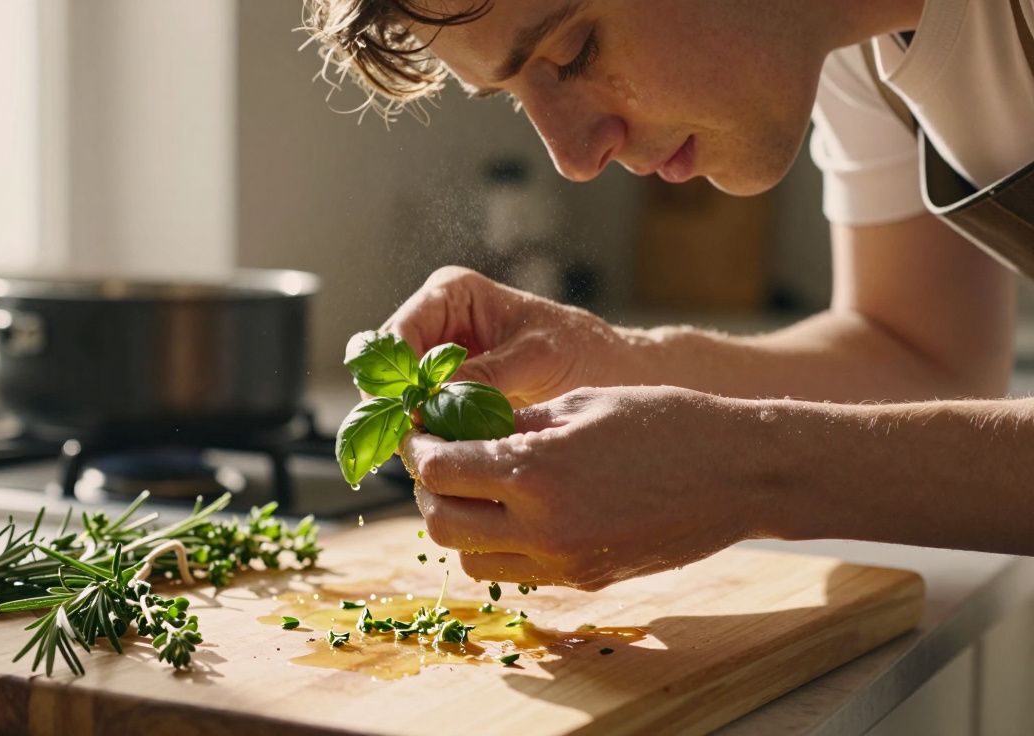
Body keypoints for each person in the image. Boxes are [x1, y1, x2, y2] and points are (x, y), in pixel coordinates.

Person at [305, 0, 1034, 590]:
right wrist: (606, 358)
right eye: (516, 95)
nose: (575, 157)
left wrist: (752, 473)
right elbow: (922, 357)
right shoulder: (844, 42)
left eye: (574, 52)